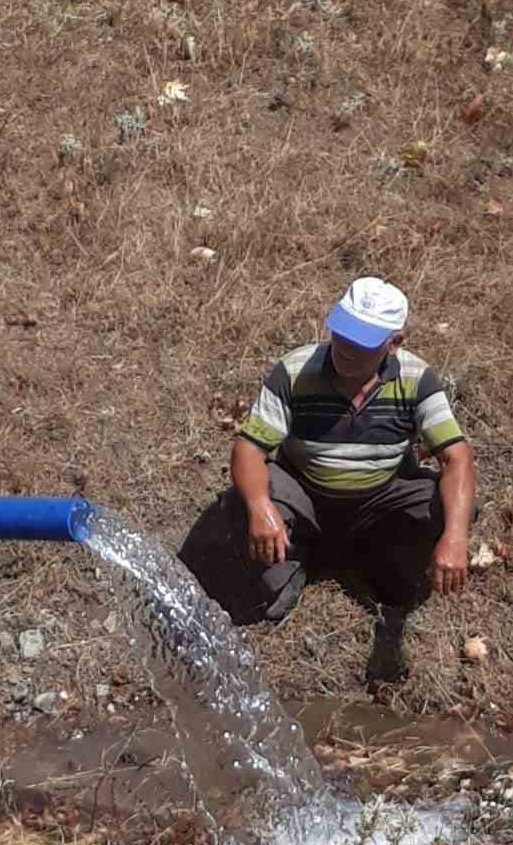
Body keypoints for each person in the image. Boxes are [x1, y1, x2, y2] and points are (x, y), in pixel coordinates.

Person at [180, 277, 477, 686]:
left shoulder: (416, 378)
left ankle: (378, 568)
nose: (347, 351)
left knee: (444, 505)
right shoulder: (295, 370)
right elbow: (250, 449)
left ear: (394, 343)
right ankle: (300, 560)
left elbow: (456, 457)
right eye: (342, 335)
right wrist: (261, 509)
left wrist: (455, 538)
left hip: (380, 500)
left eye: (363, 344)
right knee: (260, 551)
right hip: (304, 495)